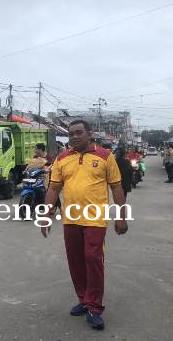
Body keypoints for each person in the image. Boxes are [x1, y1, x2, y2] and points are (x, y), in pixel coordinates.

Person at [43, 120, 128, 331]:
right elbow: (53, 189)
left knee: (93, 259)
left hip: (95, 219)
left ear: (89, 134)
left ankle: (95, 307)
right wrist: (45, 214)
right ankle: (84, 299)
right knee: (76, 261)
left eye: (79, 133)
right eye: (71, 134)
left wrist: (121, 216)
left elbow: (117, 187)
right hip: (70, 218)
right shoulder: (62, 159)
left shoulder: (105, 157)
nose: (74, 137)